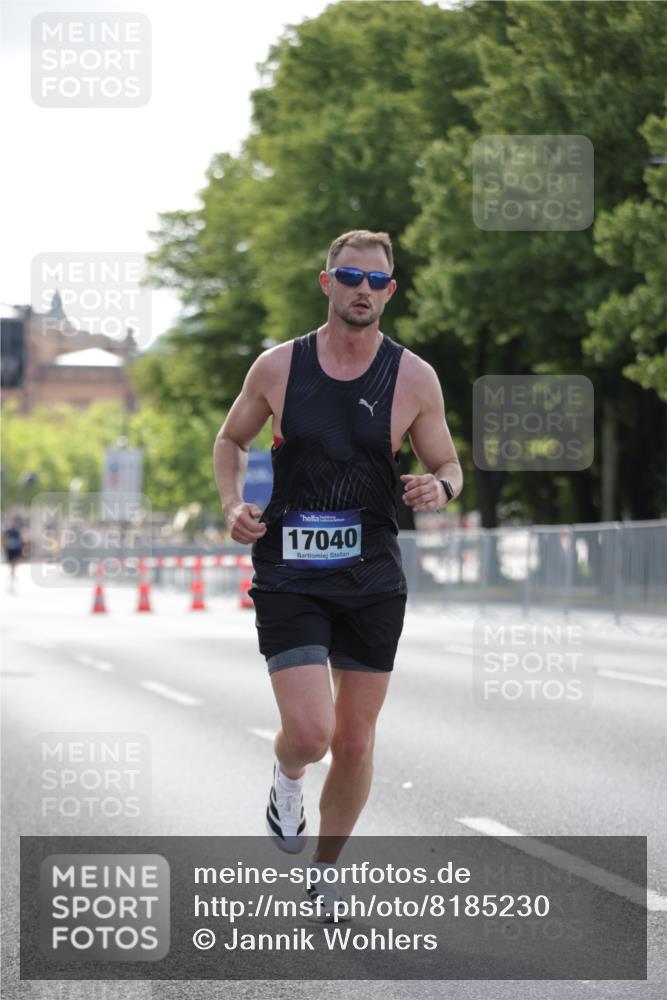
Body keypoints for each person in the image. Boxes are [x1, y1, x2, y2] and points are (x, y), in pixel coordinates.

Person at [213, 229, 462, 918]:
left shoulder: (414, 378)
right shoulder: (278, 367)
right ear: (326, 282)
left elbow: (447, 465)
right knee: (314, 734)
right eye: (351, 277)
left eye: (377, 281)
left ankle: (325, 872)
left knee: (354, 741)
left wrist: (438, 489)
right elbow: (230, 439)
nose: (363, 290)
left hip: (371, 576)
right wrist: (232, 503)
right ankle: (287, 773)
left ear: (390, 291)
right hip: (290, 572)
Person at [3, 516, 24, 591]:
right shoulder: (9, 530)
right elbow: (4, 539)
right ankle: (12, 574)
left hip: (15, 549)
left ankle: (12, 574)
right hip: (11, 549)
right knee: (12, 564)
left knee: (14, 564)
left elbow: (21, 540)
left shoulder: (17, 530)